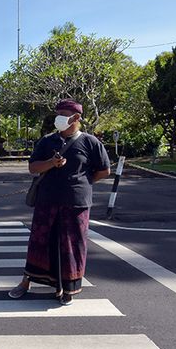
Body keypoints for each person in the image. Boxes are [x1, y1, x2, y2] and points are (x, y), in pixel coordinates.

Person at [9, 100, 111, 305]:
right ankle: (26, 282)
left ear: (76, 118)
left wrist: (82, 183)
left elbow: (104, 170)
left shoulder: (90, 142)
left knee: (72, 246)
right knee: (39, 243)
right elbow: (33, 168)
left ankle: (68, 288)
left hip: (76, 203)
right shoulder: (47, 141)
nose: (59, 118)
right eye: (58, 114)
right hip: (47, 200)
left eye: (64, 114)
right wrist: (50, 164)